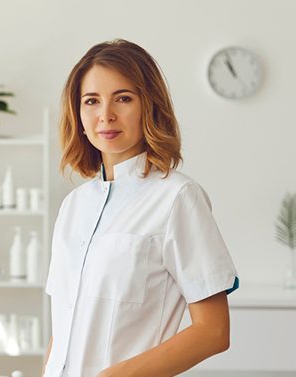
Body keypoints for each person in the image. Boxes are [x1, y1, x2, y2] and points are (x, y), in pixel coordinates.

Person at [42, 39, 239, 377]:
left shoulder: (178, 197)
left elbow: (214, 331)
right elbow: (65, 323)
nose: (106, 115)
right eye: (91, 101)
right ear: (78, 112)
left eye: (123, 98)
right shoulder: (73, 206)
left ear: (149, 105)